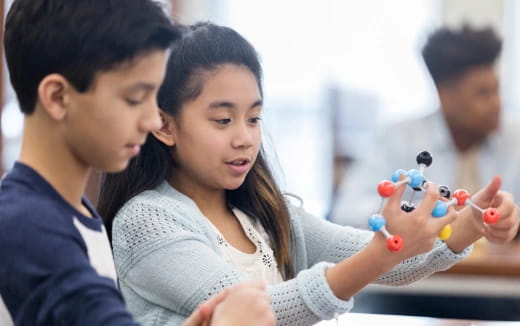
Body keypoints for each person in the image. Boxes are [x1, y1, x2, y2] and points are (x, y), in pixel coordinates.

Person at [97, 22, 520, 326]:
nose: (246, 138)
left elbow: (391, 263)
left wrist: (467, 227)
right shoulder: (146, 220)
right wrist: (382, 252)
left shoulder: (267, 214)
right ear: (165, 124)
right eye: (223, 121)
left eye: (255, 118)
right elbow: (255, 312)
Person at [0, 1, 274, 326]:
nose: (150, 120)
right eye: (134, 98)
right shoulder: (27, 226)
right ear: (59, 98)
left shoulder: (79, 217)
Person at [331, 24, 520, 228]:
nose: (497, 103)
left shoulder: (514, 140)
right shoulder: (398, 138)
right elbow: (346, 212)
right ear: (445, 96)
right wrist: (420, 212)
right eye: (483, 94)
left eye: (496, 90)